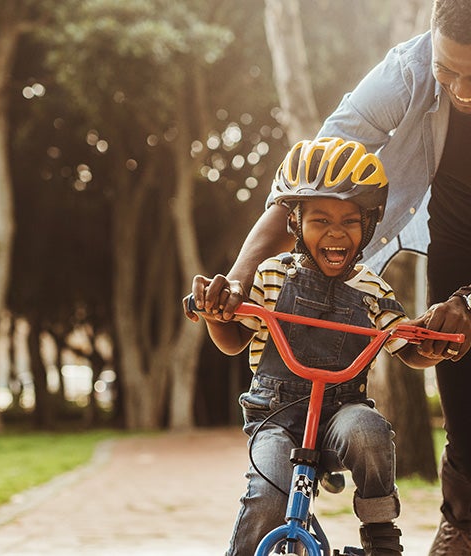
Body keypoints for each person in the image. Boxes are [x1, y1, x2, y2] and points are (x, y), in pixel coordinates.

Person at [213, 1, 471, 554]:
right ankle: (461, 511)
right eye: (448, 69)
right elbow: (314, 174)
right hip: (462, 244)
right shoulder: (405, 70)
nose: (463, 90)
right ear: (432, 39)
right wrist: (239, 278)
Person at [187, 137, 449, 556]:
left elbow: (405, 344)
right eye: (320, 220)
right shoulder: (273, 275)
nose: (335, 233)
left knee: (369, 430)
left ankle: (381, 535)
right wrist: (219, 316)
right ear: (294, 222)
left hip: (339, 417)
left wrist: (430, 346)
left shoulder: (372, 289)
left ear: (369, 224)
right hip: (275, 418)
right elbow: (234, 341)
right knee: (269, 495)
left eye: (350, 220)